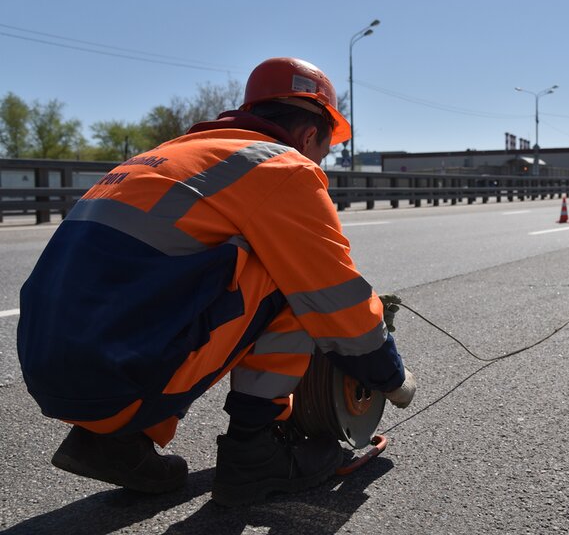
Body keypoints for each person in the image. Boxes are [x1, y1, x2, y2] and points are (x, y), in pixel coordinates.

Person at [16, 57, 416, 507]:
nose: (319, 164)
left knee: (188, 275)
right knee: (292, 274)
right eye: (323, 152)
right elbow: (336, 299)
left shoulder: (174, 154)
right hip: (116, 378)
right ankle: (254, 450)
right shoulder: (283, 166)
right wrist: (391, 377)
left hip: (48, 367)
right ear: (308, 136)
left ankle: (112, 442)